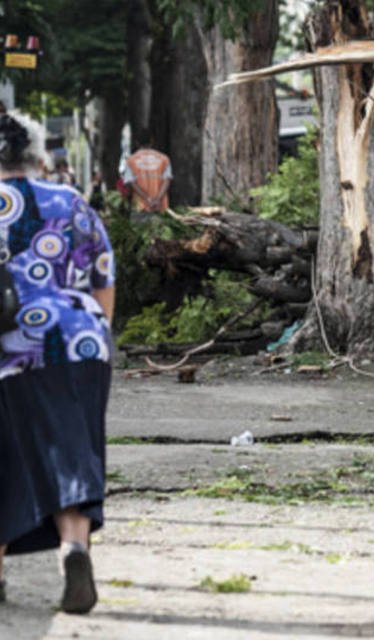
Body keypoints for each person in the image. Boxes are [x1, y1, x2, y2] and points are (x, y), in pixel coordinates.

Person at [0, 111, 116, 614]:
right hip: (79, 338)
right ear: (35, 153)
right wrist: (96, 339)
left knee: (5, 457)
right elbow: (102, 275)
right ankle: (75, 548)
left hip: (11, 346)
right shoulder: (70, 201)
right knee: (72, 447)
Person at [121, 143, 172, 212]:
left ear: (137, 142)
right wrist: (157, 199)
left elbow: (131, 183)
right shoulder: (164, 159)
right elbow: (167, 180)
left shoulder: (131, 160)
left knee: (139, 222)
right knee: (160, 222)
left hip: (140, 206)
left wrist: (148, 199)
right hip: (160, 206)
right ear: (152, 140)